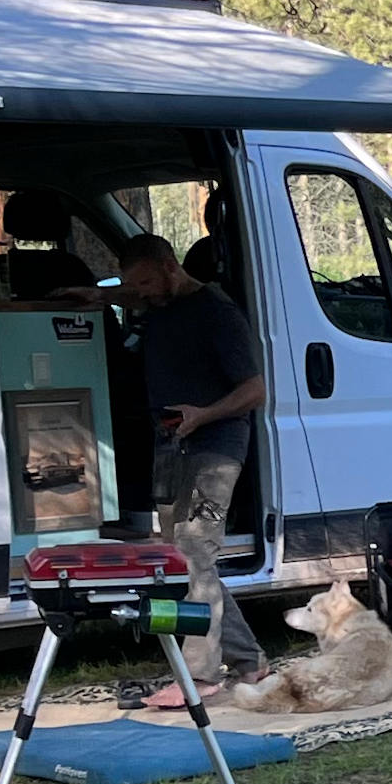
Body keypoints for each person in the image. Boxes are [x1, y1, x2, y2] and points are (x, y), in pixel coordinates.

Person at [111, 231, 272, 696]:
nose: (140, 294)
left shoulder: (217, 313)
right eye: (133, 287)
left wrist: (203, 415)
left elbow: (255, 391)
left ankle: (201, 674)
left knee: (196, 550)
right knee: (183, 559)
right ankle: (251, 662)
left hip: (215, 447)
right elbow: (131, 294)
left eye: (145, 283)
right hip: (170, 444)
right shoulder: (159, 303)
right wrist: (93, 294)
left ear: (171, 268)